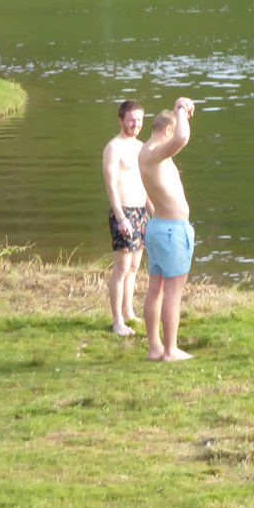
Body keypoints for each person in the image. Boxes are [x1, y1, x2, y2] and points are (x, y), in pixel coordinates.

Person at [139, 98, 197, 363]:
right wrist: (181, 108)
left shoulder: (146, 153)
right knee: (172, 291)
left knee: (156, 289)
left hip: (160, 227)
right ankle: (170, 350)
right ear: (166, 131)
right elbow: (182, 137)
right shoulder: (155, 152)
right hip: (172, 230)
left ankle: (155, 347)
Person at [103, 100, 151, 337]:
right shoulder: (114, 147)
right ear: (121, 120)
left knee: (134, 267)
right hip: (123, 212)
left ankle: (129, 312)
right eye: (132, 120)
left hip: (141, 211)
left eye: (140, 120)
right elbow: (111, 186)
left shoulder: (142, 147)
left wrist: (154, 211)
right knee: (121, 269)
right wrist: (121, 218)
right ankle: (117, 321)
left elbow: (146, 184)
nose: (136, 124)